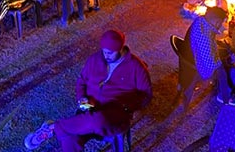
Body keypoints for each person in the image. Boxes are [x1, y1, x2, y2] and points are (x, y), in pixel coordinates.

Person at [24, 29, 152, 151]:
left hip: (115, 112)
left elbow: (146, 95)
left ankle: (53, 127)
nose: (106, 55)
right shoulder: (95, 59)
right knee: (70, 136)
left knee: (98, 119)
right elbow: (81, 81)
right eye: (104, 51)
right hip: (91, 106)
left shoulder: (135, 66)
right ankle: (57, 128)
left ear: (120, 49)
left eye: (110, 52)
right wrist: (81, 98)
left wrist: (125, 105)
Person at [184, 6, 235, 105]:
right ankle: (224, 97)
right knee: (224, 72)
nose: (220, 26)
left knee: (224, 55)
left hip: (193, 51)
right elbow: (210, 66)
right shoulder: (205, 38)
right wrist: (227, 61)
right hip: (198, 62)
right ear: (217, 21)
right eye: (221, 23)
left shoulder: (201, 20)